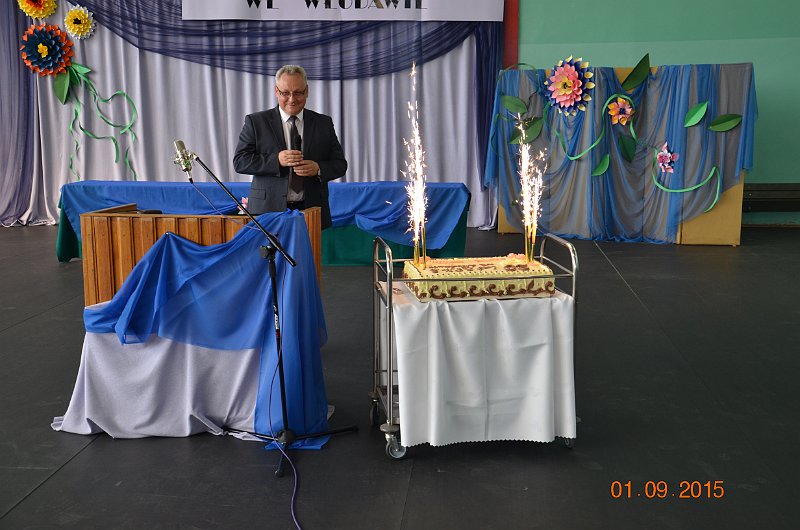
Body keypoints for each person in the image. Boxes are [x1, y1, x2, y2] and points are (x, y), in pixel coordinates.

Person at [233, 65, 347, 229]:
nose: (292, 99)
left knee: (310, 248)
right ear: (276, 91)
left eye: (298, 93)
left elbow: (340, 164)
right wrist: (276, 160)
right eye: (285, 93)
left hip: (311, 209)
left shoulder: (323, 123)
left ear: (307, 91)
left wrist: (318, 168)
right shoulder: (256, 121)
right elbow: (240, 161)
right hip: (267, 210)